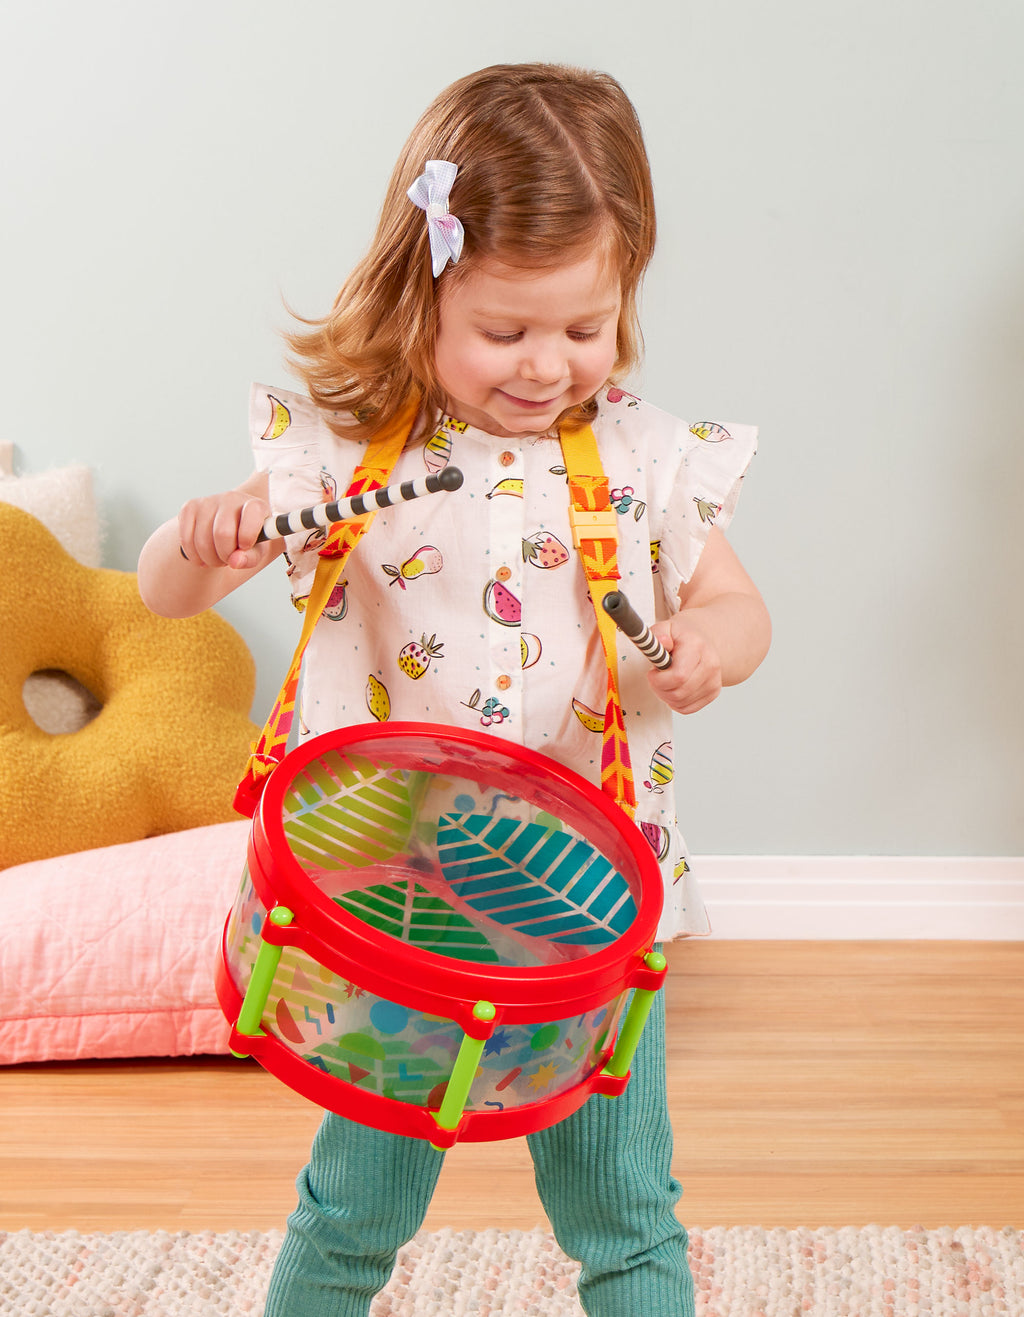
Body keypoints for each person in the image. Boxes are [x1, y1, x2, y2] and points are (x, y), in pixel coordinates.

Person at [138, 61, 770, 1317]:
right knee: (353, 1210)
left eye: (584, 329)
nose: (547, 366)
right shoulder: (345, 453)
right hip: (396, 904)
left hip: (586, 900)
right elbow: (169, 594)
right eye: (506, 330)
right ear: (423, 283)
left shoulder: (646, 457)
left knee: (628, 1215)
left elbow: (741, 610)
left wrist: (711, 645)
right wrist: (205, 539)